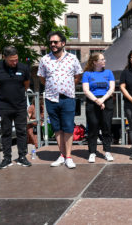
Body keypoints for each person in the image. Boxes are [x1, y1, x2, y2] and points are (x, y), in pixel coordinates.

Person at [37, 31, 82, 169]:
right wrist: (52, 87)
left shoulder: (72, 58)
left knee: (68, 127)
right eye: (51, 42)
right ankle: (61, 155)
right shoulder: (45, 59)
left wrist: (67, 87)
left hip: (68, 98)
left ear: (63, 43)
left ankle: (68, 157)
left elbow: (78, 75)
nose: (53, 44)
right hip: (51, 98)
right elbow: (41, 77)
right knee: (57, 128)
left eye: (55, 42)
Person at [0, 46, 31, 168]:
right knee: (6, 132)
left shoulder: (23, 68)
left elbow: (26, 84)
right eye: (12, 60)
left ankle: (22, 156)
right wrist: (1, 94)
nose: (15, 62)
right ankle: (7, 158)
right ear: (4, 57)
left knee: (21, 132)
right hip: (4, 106)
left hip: (20, 106)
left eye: (16, 59)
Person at [82, 53, 115, 163]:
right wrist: (97, 101)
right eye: (102, 59)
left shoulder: (108, 72)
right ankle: (92, 152)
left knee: (107, 126)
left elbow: (111, 89)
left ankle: (107, 151)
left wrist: (102, 100)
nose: (104, 60)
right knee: (93, 127)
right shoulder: (87, 74)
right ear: (95, 62)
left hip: (106, 100)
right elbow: (86, 90)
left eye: (104, 59)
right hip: (92, 101)